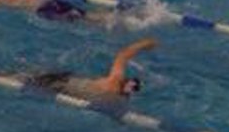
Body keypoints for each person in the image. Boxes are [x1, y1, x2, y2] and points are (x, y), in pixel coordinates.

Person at [21, 37, 155, 105]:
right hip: (64, 85)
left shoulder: (116, 81)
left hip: (63, 83)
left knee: (27, 78)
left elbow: (123, 55)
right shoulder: (117, 97)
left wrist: (144, 43)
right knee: (27, 79)